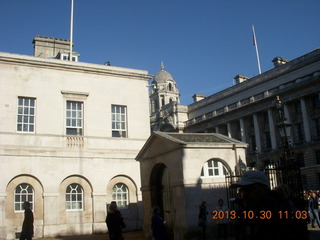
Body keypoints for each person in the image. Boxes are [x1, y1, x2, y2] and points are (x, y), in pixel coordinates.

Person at [231, 170, 307, 240]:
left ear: (265, 189)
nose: (245, 194)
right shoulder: (248, 211)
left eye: (250, 189)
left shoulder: (282, 211)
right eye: (242, 190)